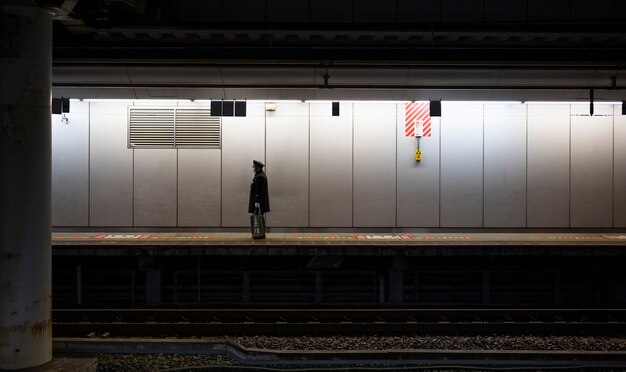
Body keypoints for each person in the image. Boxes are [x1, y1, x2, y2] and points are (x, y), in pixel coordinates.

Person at [249, 160, 270, 237]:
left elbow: (259, 191)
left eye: (255, 167)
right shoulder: (260, 175)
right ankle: (259, 233)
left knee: (258, 217)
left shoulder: (260, 177)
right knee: (258, 217)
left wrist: (257, 202)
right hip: (259, 201)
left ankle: (259, 234)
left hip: (258, 202)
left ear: (259, 168)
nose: (254, 169)